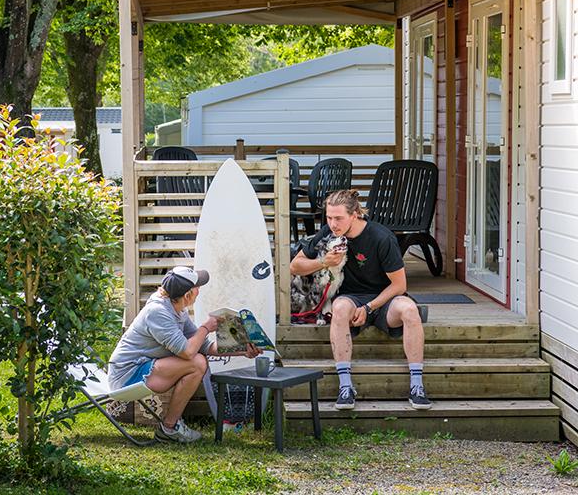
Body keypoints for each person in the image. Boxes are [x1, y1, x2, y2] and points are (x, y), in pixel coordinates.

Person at [290, 190, 432, 411]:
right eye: (328, 217)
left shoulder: (381, 237)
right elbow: (295, 266)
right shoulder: (329, 233)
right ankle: (345, 387)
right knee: (338, 308)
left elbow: (399, 286)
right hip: (350, 298)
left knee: (410, 310)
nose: (332, 223)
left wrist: (369, 307)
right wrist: (323, 262)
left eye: (338, 218)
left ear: (355, 214)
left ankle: (417, 385)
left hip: (385, 298)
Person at [108, 266, 260, 443]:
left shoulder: (177, 309)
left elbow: (204, 346)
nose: (200, 290)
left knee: (199, 360)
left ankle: (169, 427)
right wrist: (205, 327)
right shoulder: (158, 312)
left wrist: (243, 349)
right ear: (188, 295)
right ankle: (169, 429)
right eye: (197, 287)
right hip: (127, 375)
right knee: (197, 363)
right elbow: (188, 352)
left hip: (144, 367)